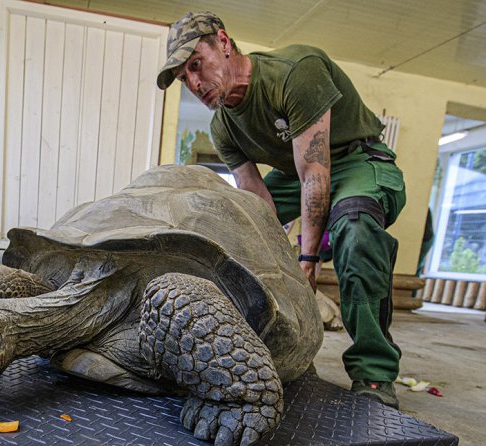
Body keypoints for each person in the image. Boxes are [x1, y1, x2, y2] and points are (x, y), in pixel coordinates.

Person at [157, 12, 406, 408]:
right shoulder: (223, 127)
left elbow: (315, 173)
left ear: (223, 42)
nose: (195, 84)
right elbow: (258, 201)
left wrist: (306, 259)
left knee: (354, 228)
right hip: (299, 171)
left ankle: (373, 371)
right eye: (184, 79)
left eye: (196, 65)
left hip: (356, 160)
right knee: (231, 219)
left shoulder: (295, 72)